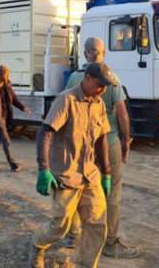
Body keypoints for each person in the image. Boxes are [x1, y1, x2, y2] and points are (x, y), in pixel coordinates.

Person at [29, 62, 115, 268]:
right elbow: (45, 133)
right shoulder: (66, 100)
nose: (102, 89)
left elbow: (102, 138)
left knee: (97, 223)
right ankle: (37, 245)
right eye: (99, 84)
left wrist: (106, 173)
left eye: (105, 86)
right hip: (66, 175)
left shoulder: (99, 104)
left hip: (89, 175)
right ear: (87, 79)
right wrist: (44, 169)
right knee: (60, 226)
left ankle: (86, 263)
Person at [64, 37, 139, 259]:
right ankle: (110, 242)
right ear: (103, 53)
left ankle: (73, 234)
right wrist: (126, 141)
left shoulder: (75, 79)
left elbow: (67, 110)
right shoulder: (111, 79)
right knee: (112, 192)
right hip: (109, 140)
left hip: (83, 142)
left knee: (78, 187)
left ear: (86, 54)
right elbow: (122, 114)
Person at [0, 65, 30, 172]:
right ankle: (13, 164)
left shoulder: (7, 84)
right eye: (5, 75)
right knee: (6, 141)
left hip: (5, 116)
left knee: (0, 139)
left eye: (7, 75)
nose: (7, 77)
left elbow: (13, 98)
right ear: (0, 75)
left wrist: (23, 107)